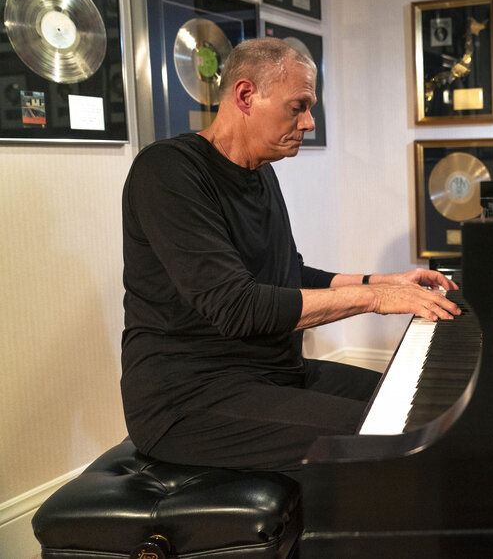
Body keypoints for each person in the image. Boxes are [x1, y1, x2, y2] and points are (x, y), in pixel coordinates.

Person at [120, 37, 460, 473]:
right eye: (298, 106)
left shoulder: (259, 173)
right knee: (394, 434)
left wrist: (381, 283)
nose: (310, 123)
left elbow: (287, 273)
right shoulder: (168, 171)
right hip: (188, 398)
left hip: (273, 372)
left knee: (425, 402)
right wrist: (374, 301)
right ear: (245, 95)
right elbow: (236, 306)